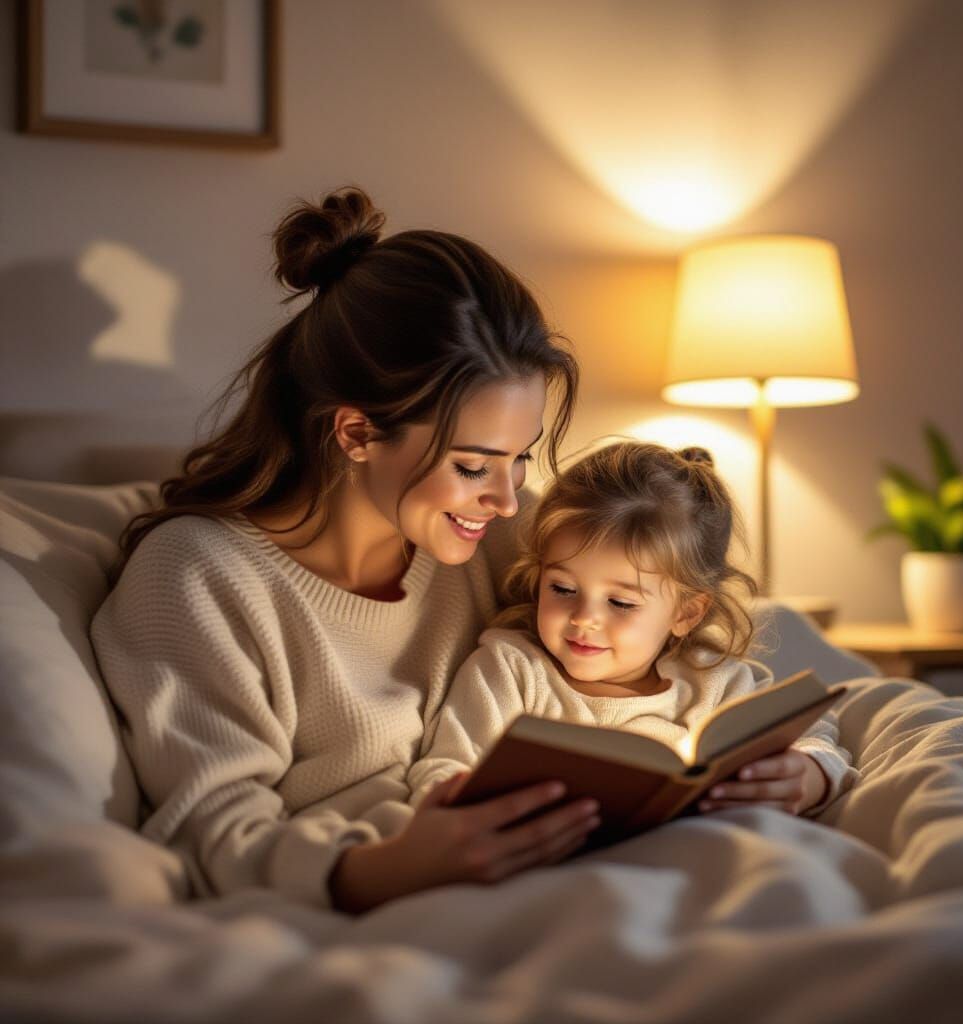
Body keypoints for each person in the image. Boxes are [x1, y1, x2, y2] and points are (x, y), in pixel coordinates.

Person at [90, 186, 600, 915]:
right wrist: (388, 870)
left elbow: (675, 648)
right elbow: (212, 835)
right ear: (357, 433)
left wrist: (772, 768)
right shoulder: (196, 577)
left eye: (520, 459)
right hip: (362, 911)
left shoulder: (509, 543)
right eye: (471, 466)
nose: (508, 499)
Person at [408, 442, 858, 816]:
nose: (584, 618)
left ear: (686, 613)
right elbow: (444, 768)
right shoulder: (511, 670)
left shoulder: (714, 681)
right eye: (562, 588)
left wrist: (810, 777)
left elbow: (816, 735)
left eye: (621, 603)